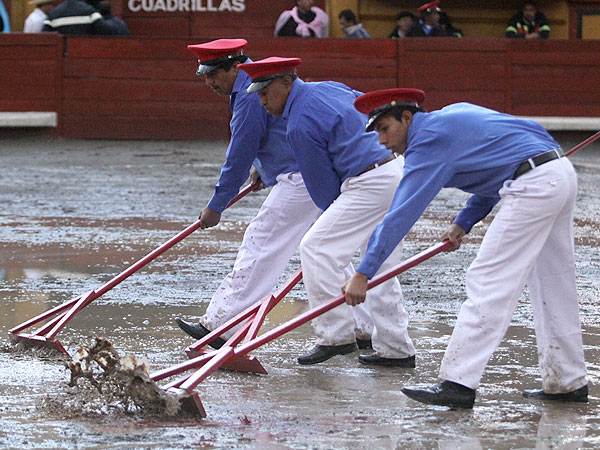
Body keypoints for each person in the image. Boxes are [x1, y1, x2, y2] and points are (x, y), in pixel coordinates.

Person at [344, 88, 588, 408]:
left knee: (488, 279)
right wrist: (464, 221)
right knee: (555, 283)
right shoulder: (450, 117)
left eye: (385, 129)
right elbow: (500, 164)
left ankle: (458, 382)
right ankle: (568, 381)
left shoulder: (427, 141)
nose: (381, 140)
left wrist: (363, 272)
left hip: (534, 186)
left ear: (407, 118)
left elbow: (401, 213)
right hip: (556, 172)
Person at [175, 40, 375, 351]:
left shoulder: (249, 95)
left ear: (233, 68)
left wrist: (217, 205)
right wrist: (265, 168)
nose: (209, 82)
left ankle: (223, 325)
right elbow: (269, 138)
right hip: (309, 174)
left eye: (213, 74)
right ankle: (362, 326)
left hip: (302, 178)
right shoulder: (256, 87)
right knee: (329, 251)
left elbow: (240, 153)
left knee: (262, 241)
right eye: (205, 75)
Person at [238, 57, 416, 367]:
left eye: (265, 93)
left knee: (317, 248)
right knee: (381, 265)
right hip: (393, 170)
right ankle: (396, 349)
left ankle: (335, 336)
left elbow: (323, 190)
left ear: (285, 83)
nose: (262, 102)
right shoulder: (327, 88)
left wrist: (334, 220)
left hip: (367, 182)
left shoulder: (298, 124)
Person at [42, 0, 111, 35]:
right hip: (86, 52)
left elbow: (45, 37)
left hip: (61, 54)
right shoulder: (89, 11)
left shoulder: (54, 13)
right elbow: (106, 31)